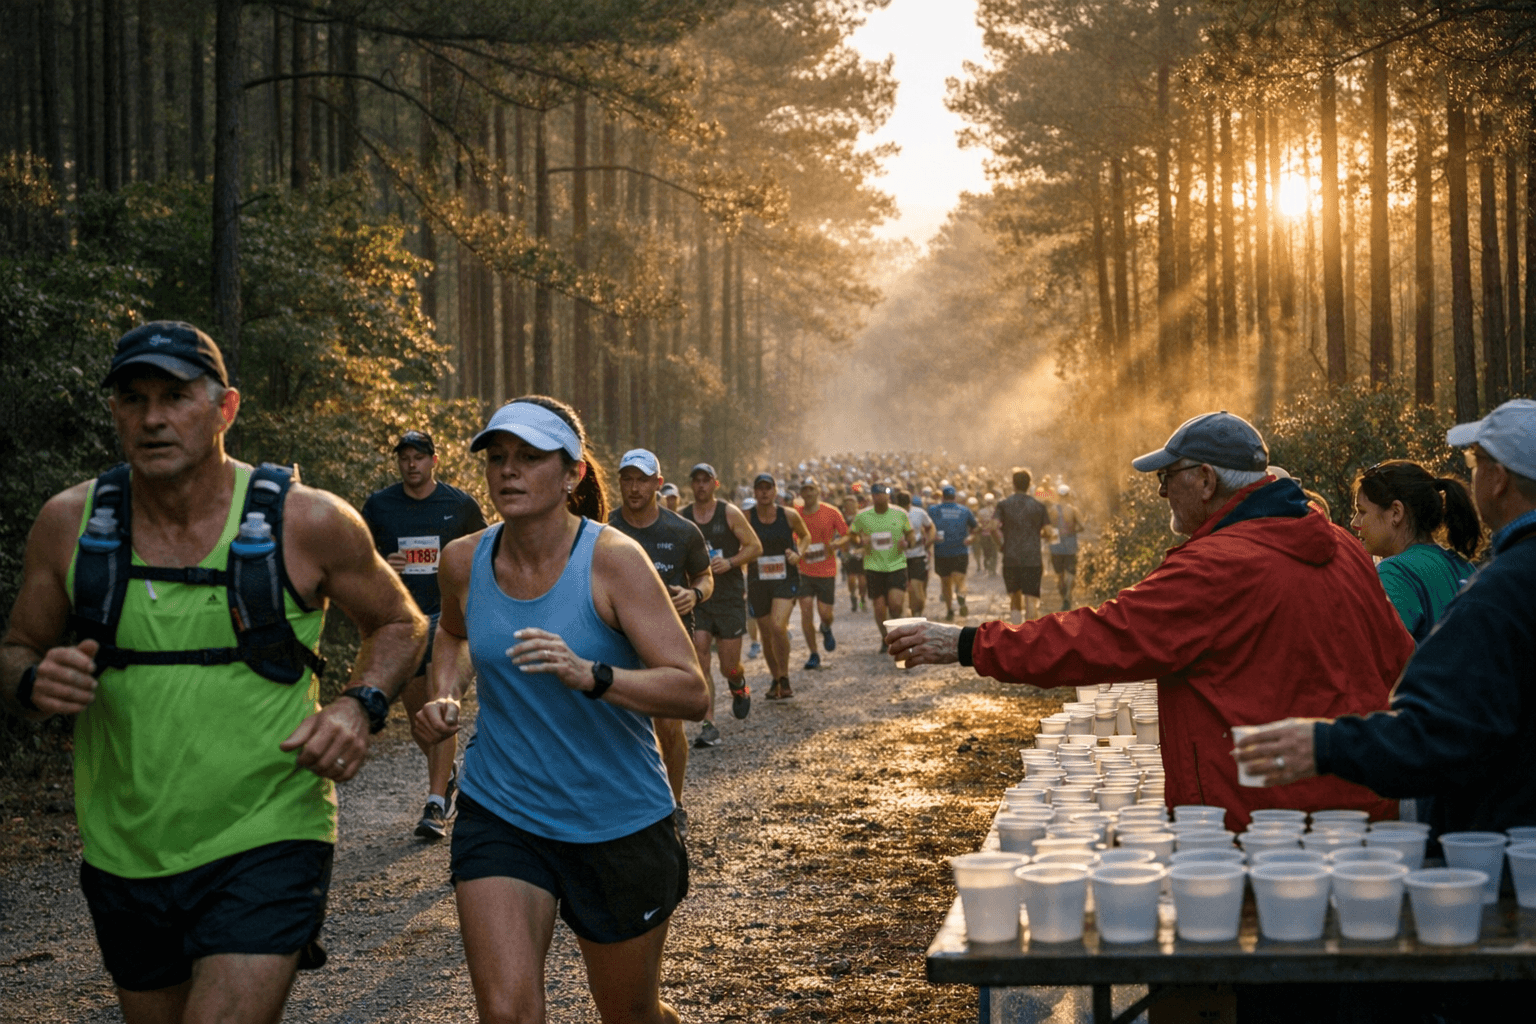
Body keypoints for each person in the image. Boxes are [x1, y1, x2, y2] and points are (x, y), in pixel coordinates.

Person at [1, 321, 427, 1024]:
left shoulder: (306, 521)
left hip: (269, 833)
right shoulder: (69, 524)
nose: (153, 417)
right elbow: (15, 648)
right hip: (123, 848)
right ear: (114, 412)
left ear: (224, 408)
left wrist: (360, 705)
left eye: (175, 395)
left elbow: (401, 619)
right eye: (133, 399)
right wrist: (31, 681)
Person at [887, 411, 1413, 830]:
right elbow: (1401, 658)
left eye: (1167, 477)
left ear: (1205, 480)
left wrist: (967, 644)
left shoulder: (1215, 567)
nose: (1161, 492)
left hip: (1260, 825)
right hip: (1363, 811)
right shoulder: (1343, 545)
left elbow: (1097, 639)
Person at [414, 396, 708, 1024]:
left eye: (528, 458)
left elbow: (691, 690)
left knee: (630, 1016)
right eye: (497, 459)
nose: (508, 472)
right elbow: (453, 634)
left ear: (572, 473)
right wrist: (444, 693)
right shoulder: (464, 560)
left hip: (618, 820)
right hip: (504, 812)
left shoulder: (613, 561)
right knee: (507, 1014)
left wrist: (593, 675)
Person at [1235, 399, 1536, 837]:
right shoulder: (1464, 567)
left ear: (1498, 479)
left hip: (1495, 837)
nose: (1354, 523)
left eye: (1475, 461)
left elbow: (1433, 725)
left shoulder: (1497, 590)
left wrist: (1323, 743)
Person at [361, 429, 488, 840]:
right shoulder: (379, 506)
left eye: (419, 457)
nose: (411, 464)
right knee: (420, 718)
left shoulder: (459, 505)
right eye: (404, 458)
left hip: (448, 620)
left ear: (434, 460)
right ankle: (447, 775)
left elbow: (486, 552)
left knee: (440, 700)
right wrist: (384, 565)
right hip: (403, 620)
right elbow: (359, 561)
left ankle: (435, 803)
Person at [607, 449, 713, 822]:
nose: (634, 488)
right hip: (616, 640)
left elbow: (705, 575)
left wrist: (694, 593)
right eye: (627, 479)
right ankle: (631, 807)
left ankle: (675, 804)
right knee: (621, 728)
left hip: (669, 640)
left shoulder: (682, 531)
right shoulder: (603, 529)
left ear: (657, 482)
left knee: (668, 727)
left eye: (641, 480)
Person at [1349, 460, 1481, 644]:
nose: (1354, 523)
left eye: (1362, 511)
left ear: (1396, 512)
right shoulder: (1464, 567)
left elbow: (1378, 657)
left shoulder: (1395, 573)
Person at [681, 463, 761, 747]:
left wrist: (730, 562)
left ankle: (739, 686)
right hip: (699, 599)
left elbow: (755, 546)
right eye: (696, 481)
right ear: (692, 485)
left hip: (728, 598)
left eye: (706, 481)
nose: (701, 485)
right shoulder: (683, 517)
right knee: (700, 658)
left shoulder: (728, 512)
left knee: (730, 666)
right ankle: (708, 723)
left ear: (715, 484)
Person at [745, 474, 810, 700]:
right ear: (754, 492)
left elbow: (805, 536)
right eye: (760, 488)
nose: (764, 492)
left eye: (768, 488)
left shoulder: (788, 515)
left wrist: (798, 553)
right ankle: (775, 678)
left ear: (775, 491)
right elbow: (736, 540)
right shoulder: (746, 517)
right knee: (765, 632)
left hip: (785, 577)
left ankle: (784, 676)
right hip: (758, 581)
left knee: (777, 625)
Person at [848, 484, 916, 652]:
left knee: (895, 605)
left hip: (896, 565)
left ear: (889, 495)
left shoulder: (900, 513)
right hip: (873, 567)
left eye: (883, 494)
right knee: (879, 609)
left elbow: (911, 535)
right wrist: (859, 542)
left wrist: (907, 543)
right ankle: (885, 638)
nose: (879, 497)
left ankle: (898, 636)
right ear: (872, 496)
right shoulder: (862, 516)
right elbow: (852, 535)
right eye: (876, 494)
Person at [794, 478, 847, 670]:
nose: (807, 493)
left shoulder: (831, 512)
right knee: (806, 610)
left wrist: (837, 544)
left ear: (818, 492)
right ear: (800, 493)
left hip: (826, 570)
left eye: (811, 489)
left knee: (825, 614)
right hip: (804, 571)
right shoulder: (795, 514)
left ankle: (825, 627)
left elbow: (846, 534)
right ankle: (813, 653)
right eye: (804, 490)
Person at [995, 468, 1049, 624]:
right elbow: (1049, 531)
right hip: (1033, 557)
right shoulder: (1039, 504)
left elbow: (992, 526)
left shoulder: (1003, 505)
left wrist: (1001, 545)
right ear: (1030, 484)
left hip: (1011, 557)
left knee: (1014, 596)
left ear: (1013, 485)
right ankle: (1030, 635)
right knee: (1031, 599)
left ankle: (1015, 631)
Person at [928, 485, 980, 621]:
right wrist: (971, 538)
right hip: (960, 551)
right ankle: (961, 599)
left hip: (941, 552)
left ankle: (950, 609)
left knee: (945, 583)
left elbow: (926, 527)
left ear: (942, 497)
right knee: (960, 581)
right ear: (955, 497)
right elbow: (976, 527)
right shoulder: (964, 510)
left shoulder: (933, 510)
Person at [895, 490, 935, 618]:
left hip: (917, 555)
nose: (904, 509)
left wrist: (929, 542)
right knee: (904, 591)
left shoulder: (919, 513)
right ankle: (907, 615)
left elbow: (931, 527)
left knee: (916, 589)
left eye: (906, 506)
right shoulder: (891, 514)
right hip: (897, 557)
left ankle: (917, 613)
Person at [1048, 483, 1083, 610]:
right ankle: (1068, 595)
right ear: (1068, 495)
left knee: (1059, 574)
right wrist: (1073, 530)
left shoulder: (1052, 510)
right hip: (1070, 542)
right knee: (1071, 571)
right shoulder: (1073, 510)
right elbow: (1082, 526)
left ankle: (1064, 598)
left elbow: (1048, 527)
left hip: (1056, 542)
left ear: (1058, 495)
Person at [839, 494, 868, 613]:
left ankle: (862, 599)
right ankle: (853, 596)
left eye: (852, 502)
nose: (849, 505)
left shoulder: (862, 516)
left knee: (862, 579)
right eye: (847, 503)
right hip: (848, 551)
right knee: (851, 578)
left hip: (861, 550)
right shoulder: (842, 517)